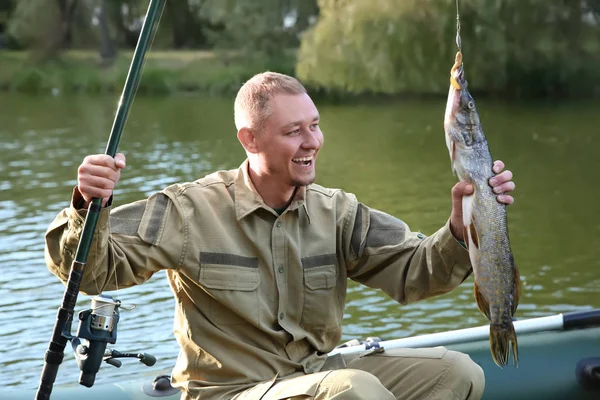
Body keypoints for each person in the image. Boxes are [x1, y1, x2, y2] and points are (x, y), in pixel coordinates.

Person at [45, 72, 516, 400]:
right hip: (229, 392)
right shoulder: (189, 209)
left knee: (458, 374)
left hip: (313, 377)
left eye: (315, 125)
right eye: (294, 131)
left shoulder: (337, 211)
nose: (312, 141)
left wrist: (461, 227)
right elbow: (89, 273)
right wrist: (89, 205)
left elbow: (415, 274)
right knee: (356, 390)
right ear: (250, 139)